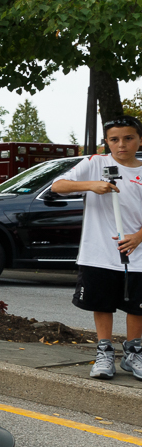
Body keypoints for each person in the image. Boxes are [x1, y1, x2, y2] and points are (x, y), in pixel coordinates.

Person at [52, 116, 142, 380]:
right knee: (102, 302)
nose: (121, 145)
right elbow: (58, 186)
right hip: (99, 251)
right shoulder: (95, 163)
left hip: (136, 252)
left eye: (128, 138)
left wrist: (138, 236)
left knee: (137, 306)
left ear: (139, 139)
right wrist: (91, 185)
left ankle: (133, 353)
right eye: (114, 140)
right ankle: (104, 352)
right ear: (107, 142)